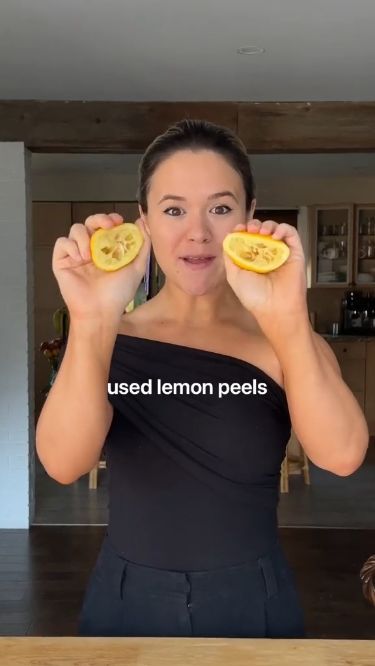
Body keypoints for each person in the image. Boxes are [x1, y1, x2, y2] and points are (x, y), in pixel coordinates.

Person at [36, 119, 369, 639]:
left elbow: (343, 455)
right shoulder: (107, 334)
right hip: (126, 597)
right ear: (144, 222)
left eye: (219, 208)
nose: (197, 232)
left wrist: (286, 318)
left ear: (249, 215)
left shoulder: (281, 337)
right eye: (173, 210)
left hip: (253, 597)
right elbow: (62, 463)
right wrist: (93, 317)